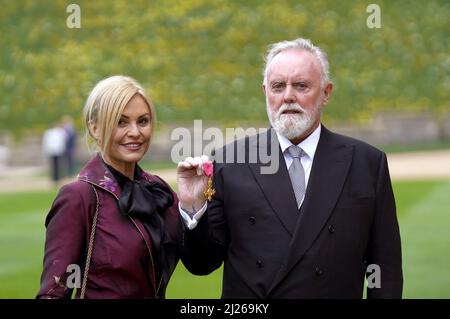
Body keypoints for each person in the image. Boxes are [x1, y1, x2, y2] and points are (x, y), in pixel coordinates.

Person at [177, 38, 403, 298]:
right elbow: (202, 264)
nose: (288, 96)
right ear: (265, 92)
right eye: (278, 86)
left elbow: (384, 267)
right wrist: (193, 208)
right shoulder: (229, 161)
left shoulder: (367, 163)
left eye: (301, 86)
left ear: (326, 93)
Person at [37, 75, 181, 299]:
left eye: (142, 121)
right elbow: (54, 292)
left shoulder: (158, 189)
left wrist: (194, 204)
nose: (135, 132)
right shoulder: (79, 197)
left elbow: (200, 262)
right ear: (94, 128)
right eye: (121, 122)